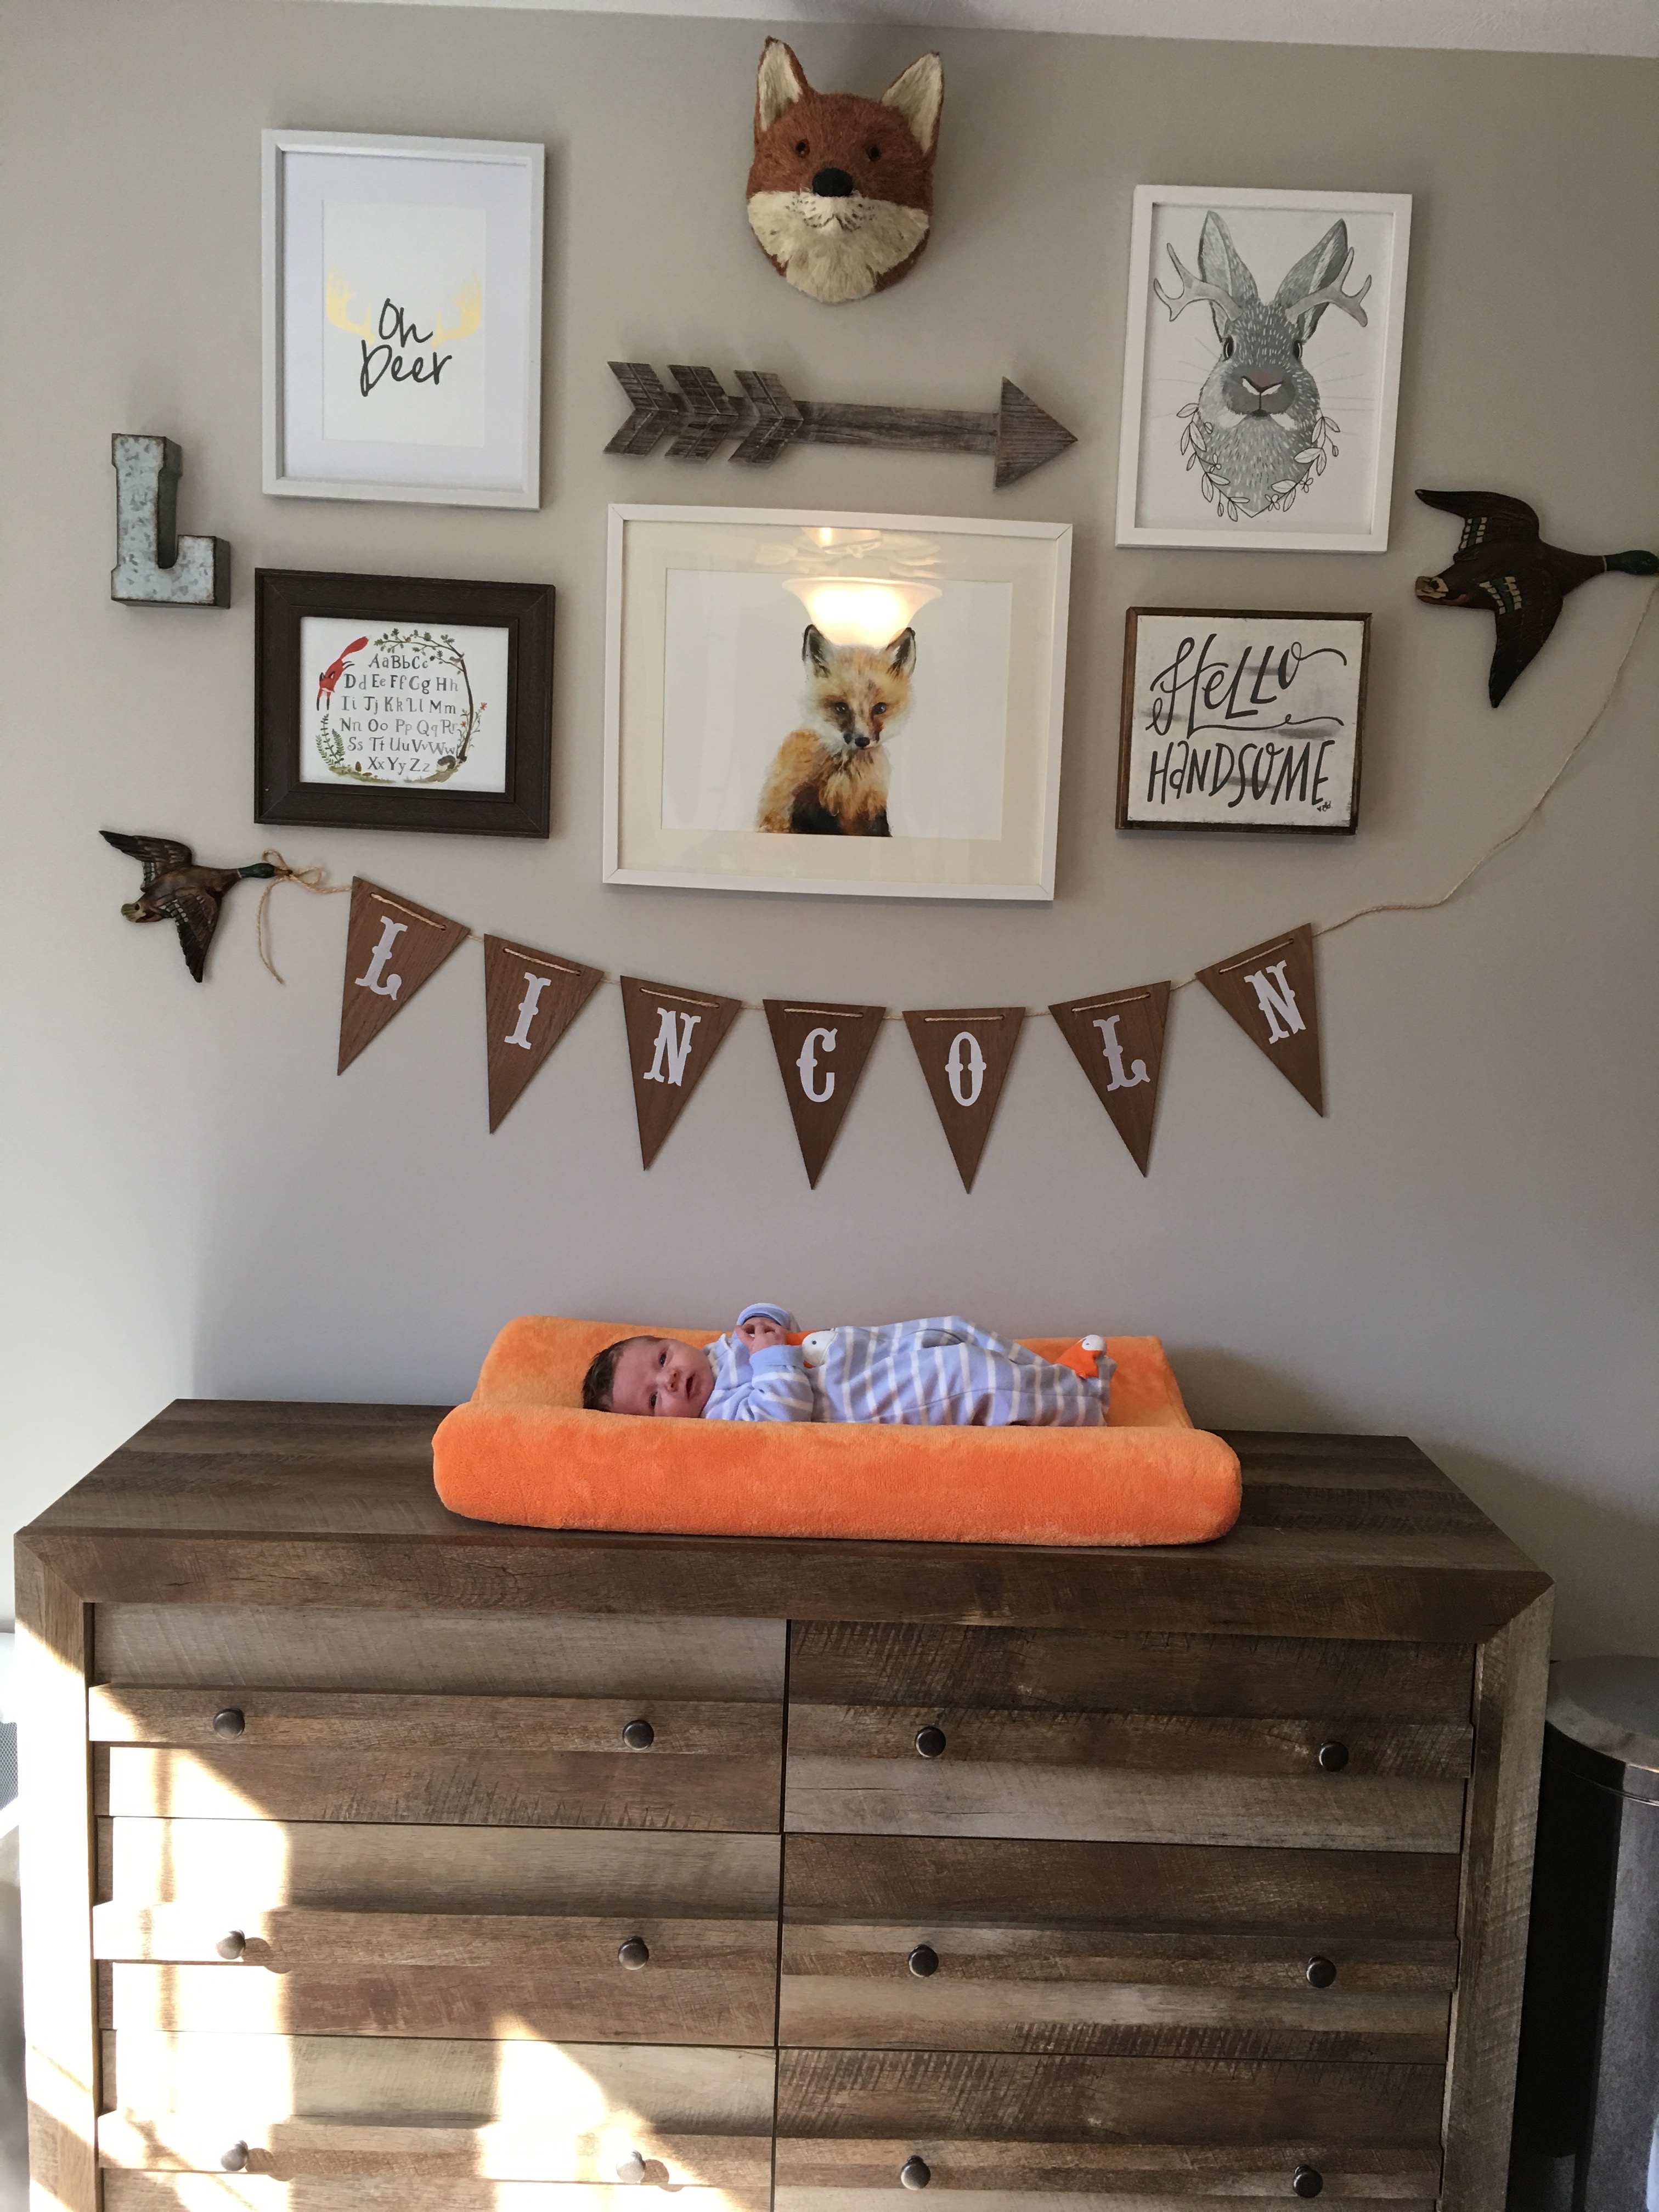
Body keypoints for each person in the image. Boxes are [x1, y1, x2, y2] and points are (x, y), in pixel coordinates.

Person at [582, 1304, 1111, 1426]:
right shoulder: (720, 1416)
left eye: (662, 1358)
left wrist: (762, 1319)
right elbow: (779, 1416)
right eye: (654, 1399)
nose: (671, 1378)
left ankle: (1059, 1377)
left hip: (878, 1350)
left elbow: (783, 1323)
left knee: (957, 1329)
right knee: (969, 1372)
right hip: (878, 1395)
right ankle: (1084, 1406)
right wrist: (770, 1357)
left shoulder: (719, 1351)